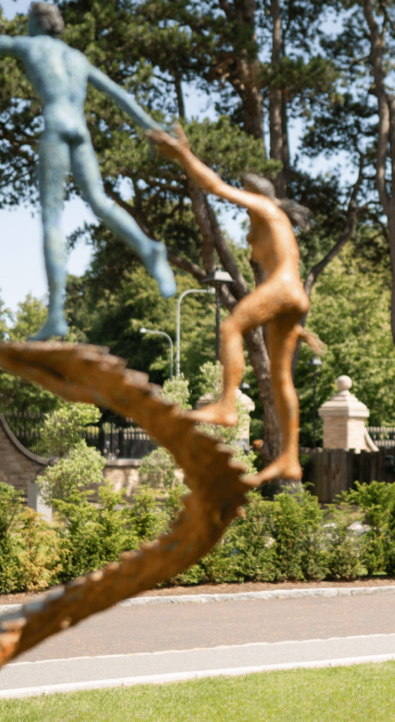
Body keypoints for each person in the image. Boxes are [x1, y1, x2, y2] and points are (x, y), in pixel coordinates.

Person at [0, 1, 176, 339]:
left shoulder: (30, 45)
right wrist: (154, 128)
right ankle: (149, 248)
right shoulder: (78, 59)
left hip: (55, 127)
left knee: (52, 218)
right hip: (80, 130)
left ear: (36, 23)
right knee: (100, 203)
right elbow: (121, 96)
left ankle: (57, 314)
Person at [146, 123, 317, 483]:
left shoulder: (266, 209)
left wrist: (184, 156)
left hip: (283, 287)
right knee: (282, 378)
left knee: (231, 327)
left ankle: (227, 405)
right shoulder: (277, 221)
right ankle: (289, 458)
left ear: (256, 193)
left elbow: (215, 186)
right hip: (295, 295)